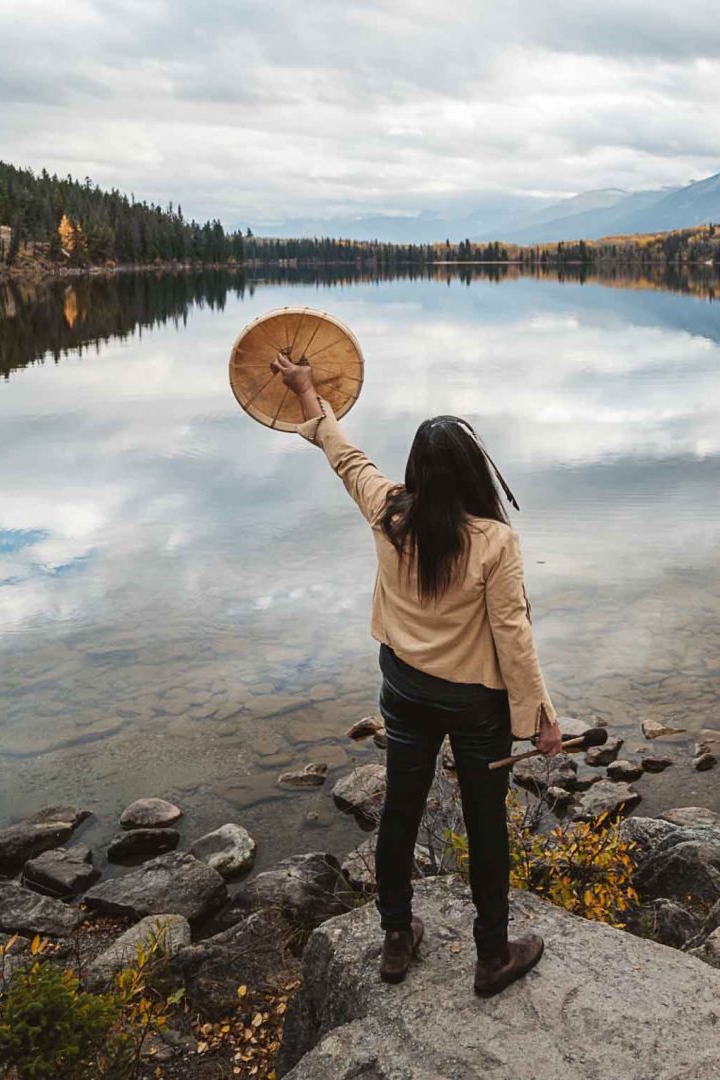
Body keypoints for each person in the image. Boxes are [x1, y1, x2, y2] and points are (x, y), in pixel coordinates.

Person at [274, 354, 562, 997]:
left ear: (416, 472)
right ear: (472, 473)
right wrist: (540, 720)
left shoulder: (389, 510)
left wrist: (307, 393)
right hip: (473, 704)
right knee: (486, 823)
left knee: (401, 810)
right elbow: (512, 633)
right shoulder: (494, 541)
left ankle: (397, 938)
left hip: (404, 689)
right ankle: (492, 956)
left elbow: (347, 458)